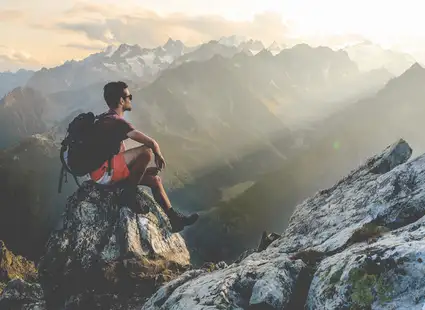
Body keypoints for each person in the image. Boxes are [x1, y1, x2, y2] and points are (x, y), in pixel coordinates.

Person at [90, 81, 198, 232]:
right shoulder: (117, 122)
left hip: (105, 172)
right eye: (129, 96)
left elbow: (119, 156)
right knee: (145, 151)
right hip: (104, 173)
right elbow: (150, 143)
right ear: (121, 100)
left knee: (155, 180)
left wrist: (143, 171)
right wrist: (157, 153)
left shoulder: (106, 118)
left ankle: (175, 219)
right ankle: (129, 195)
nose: (130, 99)